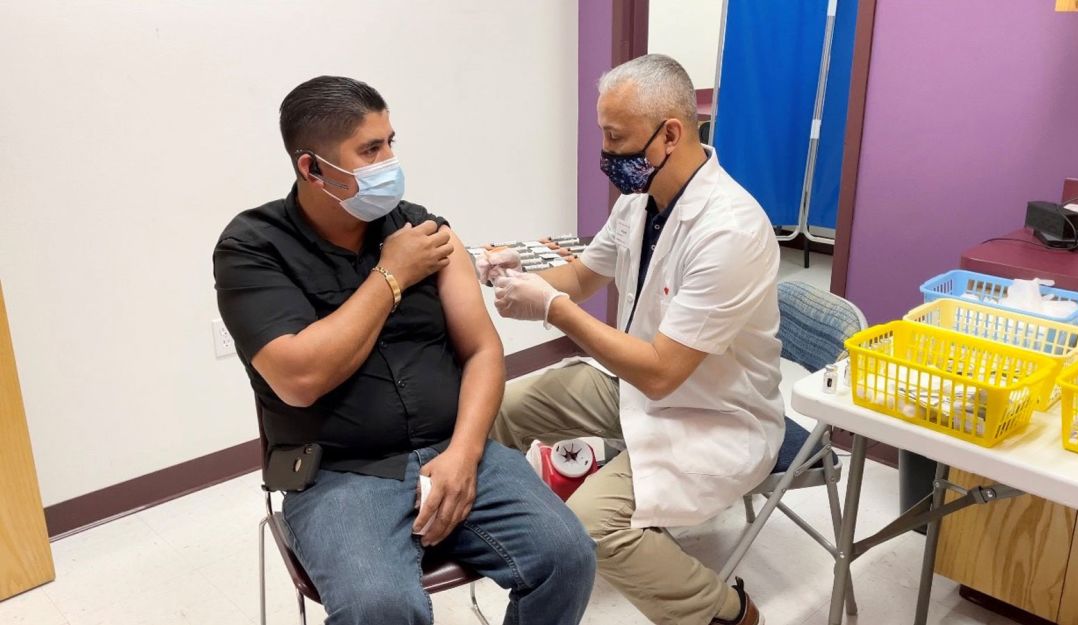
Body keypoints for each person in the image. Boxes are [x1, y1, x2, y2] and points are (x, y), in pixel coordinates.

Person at [213, 76, 595, 625]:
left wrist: (464, 455)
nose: (389, 160)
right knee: (381, 609)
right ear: (312, 168)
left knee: (568, 557)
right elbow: (299, 378)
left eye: (391, 141)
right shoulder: (252, 248)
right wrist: (392, 274)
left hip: (456, 448)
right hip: (339, 473)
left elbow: (484, 350)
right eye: (370, 150)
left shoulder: (426, 230)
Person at [480, 54, 783, 625]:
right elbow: (581, 277)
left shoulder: (729, 232)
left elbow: (662, 372)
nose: (605, 153)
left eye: (615, 138)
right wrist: (500, 270)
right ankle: (516, 538)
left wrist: (554, 310)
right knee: (497, 407)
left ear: (670, 134)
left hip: (713, 415)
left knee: (596, 526)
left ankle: (728, 612)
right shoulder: (641, 201)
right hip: (638, 387)